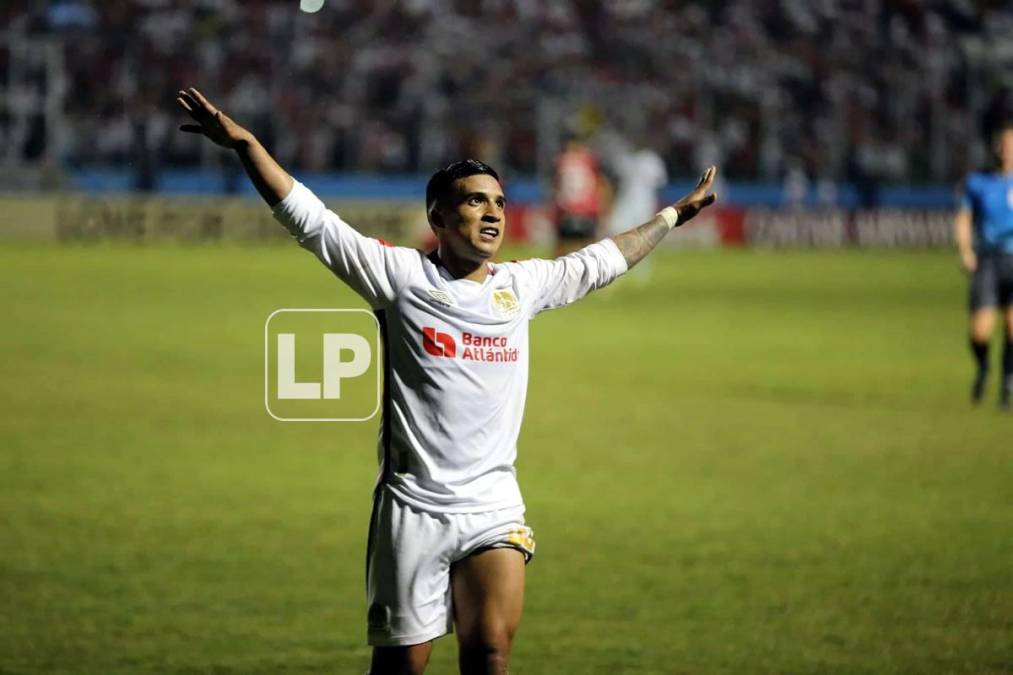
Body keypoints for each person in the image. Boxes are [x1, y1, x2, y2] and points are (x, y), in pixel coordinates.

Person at [176, 87, 717, 675]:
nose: (492, 213)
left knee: (489, 654)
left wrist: (672, 215)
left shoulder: (521, 285)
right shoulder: (398, 276)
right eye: (475, 202)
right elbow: (311, 220)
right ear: (437, 216)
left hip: (493, 505)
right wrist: (247, 145)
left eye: (500, 203)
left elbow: (601, 261)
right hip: (413, 509)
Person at [955, 120, 1013, 410]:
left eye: (1011, 145)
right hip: (988, 261)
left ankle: (1007, 381)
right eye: (1003, 144)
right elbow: (964, 218)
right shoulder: (979, 182)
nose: (1007, 150)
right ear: (995, 148)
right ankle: (983, 367)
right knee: (980, 332)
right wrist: (965, 250)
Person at [550, 129, 609, 257]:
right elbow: (600, 184)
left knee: (560, 250)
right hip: (587, 211)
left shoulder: (560, 160)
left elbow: (555, 187)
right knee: (591, 250)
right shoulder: (590, 160)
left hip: (566, 211)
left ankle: (558, 275)